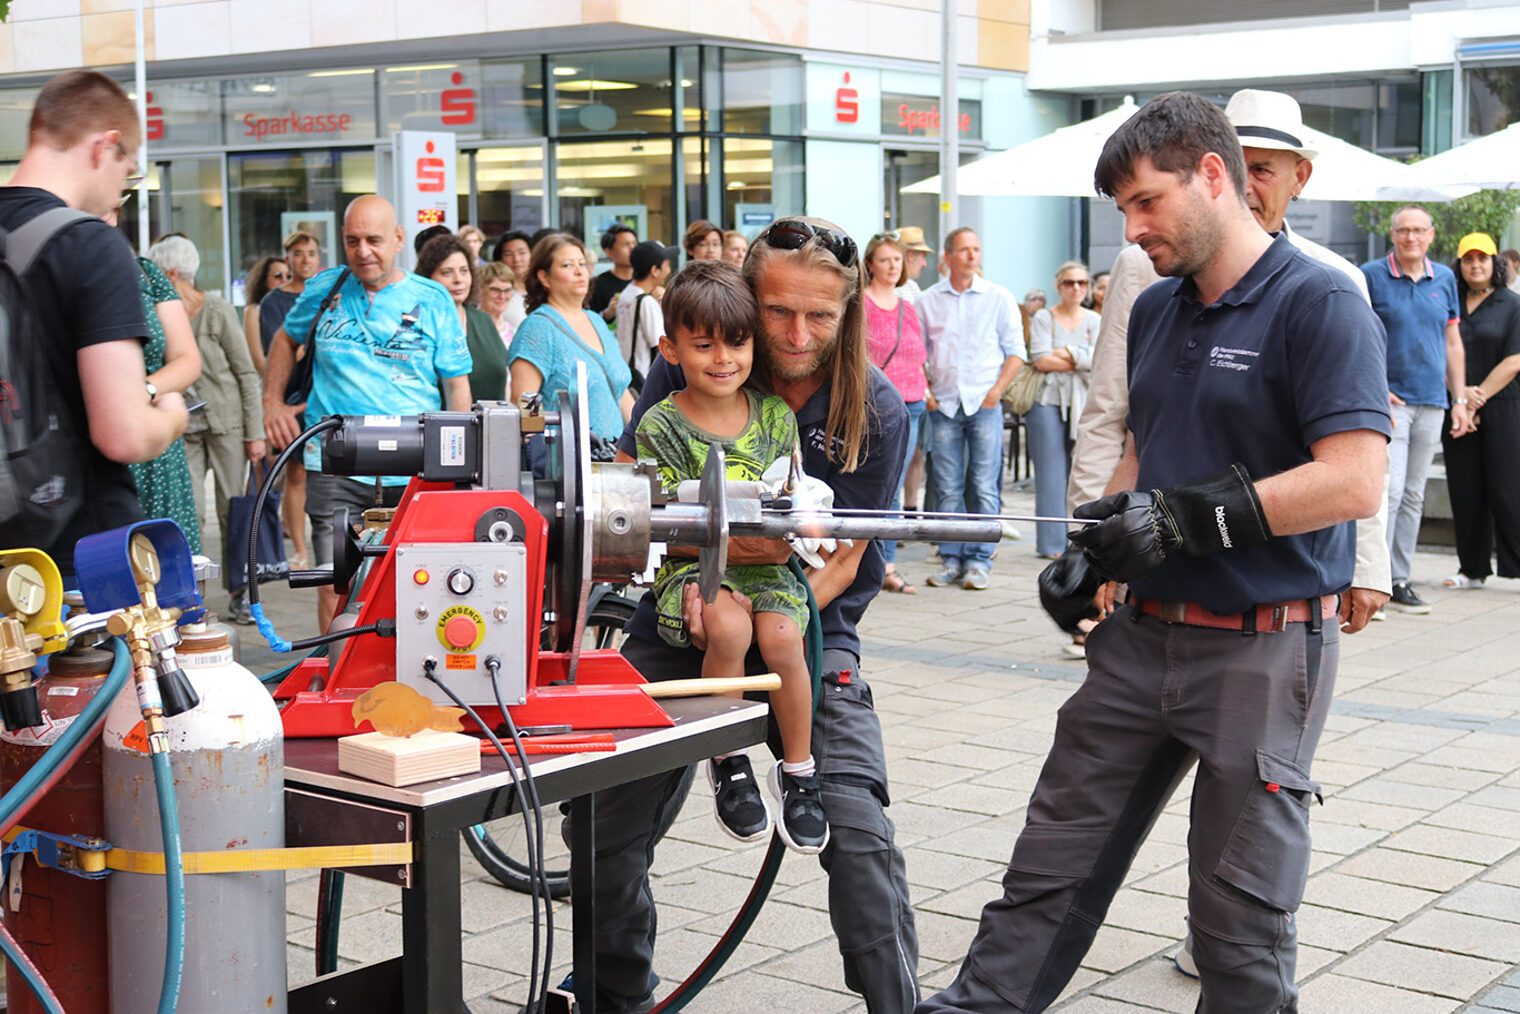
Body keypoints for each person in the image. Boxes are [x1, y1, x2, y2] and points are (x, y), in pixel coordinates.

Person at [920, 90, 1391, 1014]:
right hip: (1140, 638)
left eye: (1146, 203)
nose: (1132, 233)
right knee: (1044, 875)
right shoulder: (1159, 307)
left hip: (1263, 648)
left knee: (1237, 925)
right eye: (1121, 211)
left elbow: (1354, 480)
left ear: (1213, 176)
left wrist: (1183, 522)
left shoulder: (1323, 301)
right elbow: (1147, 447)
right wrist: (1103, 545)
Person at [601, 216, 915, 1014]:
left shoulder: (874, 409)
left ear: (850, 315)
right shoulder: (696, 366)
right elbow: (636, 518)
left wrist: (764, 611)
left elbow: (852, 560)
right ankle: (615, 993)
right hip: (683, 613)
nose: (796, 333)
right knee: (604, 825)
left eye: (820, 316)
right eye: (777, 311)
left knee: (860, 834)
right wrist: (715, 605)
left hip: (804, 625)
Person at [635, 260, 827, 853]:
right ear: (670, 349)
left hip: (767, 566)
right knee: (726, 625)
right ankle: (728, 757)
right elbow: (658, 519)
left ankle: (798, 769)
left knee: (783, 641)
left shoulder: (774, 415)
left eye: (737, 344)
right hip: (693, 568)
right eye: (703, 345)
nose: (723, 359)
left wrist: (807, 517)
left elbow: (797, 492)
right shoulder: (660, 424)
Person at [0, 70, 189, 575]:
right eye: (126, 175)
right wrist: (172, 415)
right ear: (104, 146)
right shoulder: (91, 245)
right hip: (71, 559)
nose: (118, 196)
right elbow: (123, 434)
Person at [263, 195, 472, 632]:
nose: (363, 252)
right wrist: (273, 402)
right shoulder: (325, 288)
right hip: (335, 464)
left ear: (398, 239)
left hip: (415, 468)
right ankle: (335, 673)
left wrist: (459, 464)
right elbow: (285, 338)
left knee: (416, 583)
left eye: (374, 240)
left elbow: (456, 384)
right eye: (353, 240)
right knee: (334, 582)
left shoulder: (432, 299)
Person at [1362, 204, 1472, 615]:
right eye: (1403, 230)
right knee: (1388, 493)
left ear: (1431, 235)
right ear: (1393, 235)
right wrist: (1376, 386)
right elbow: (1359, 335)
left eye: (1418, 231)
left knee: (1413, 494)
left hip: (1433, 400)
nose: (1410, 237)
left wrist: (1459, 400)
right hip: (1391, 400)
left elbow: (1452, 343)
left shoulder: (1443, 278)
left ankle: (1399, 579)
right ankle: (1374, 579)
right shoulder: (1372, 275)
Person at [148, 235, 265, 621]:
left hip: (227, 422)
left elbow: (246, 373)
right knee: (190, 513)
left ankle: (241, 593)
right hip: (184, 427)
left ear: (173, 273)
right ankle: (189, 594)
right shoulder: (159, 313)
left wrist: (255, 432)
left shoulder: (216, 310)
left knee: (235, 510)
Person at [917, 227, 1027, 591]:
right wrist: (928, 391)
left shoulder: (998, 297)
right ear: (946, 258)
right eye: (963, 250)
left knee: (983, 484)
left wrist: (996, 392)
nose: (971, 256)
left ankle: (979, 560)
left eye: (976, 249)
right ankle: (951, 558)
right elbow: (915, 353)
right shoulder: (928, 300)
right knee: (947, 487)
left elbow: (1016, 352)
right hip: (944, 404)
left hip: (984, 402)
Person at [1442, 233, 1520, 589]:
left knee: (1508, 487)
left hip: (1502, 405)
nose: (1476, 265)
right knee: (1465, 488)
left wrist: (1476, 397)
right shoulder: (1450, 301)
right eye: (1468, 259)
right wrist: (1459, 395)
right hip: (1457, 407)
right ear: (1460, 265)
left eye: (1483, 259)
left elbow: (1515, 360)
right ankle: (1471, 569)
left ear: (1495, 264)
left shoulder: (1512, 304)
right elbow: (1437, 351)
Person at [507, 233, 634, 442]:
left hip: (614, 459)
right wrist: (538, 458)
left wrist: (641, 445)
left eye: (582, 264)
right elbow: (524, 403)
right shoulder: (538, 328)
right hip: (566, 462)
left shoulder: (596, 321)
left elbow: (621, 393)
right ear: (544, 277)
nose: (579, 272)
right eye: (567, 265)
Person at [127, 249, 204, 554]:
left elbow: (187, 360)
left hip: (155, 443)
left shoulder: (146, 273)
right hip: (86, 444)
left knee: (161, 565)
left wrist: (144, 391)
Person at [862, 233, 927, 594]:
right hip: (875, 406)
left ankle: (886, 563)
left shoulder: (908, 307)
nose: (892, 266)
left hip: (913, 402)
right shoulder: (861, 304)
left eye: (897, 261)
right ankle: (872, 563)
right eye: (885, 260)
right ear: (870, 263)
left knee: (897, 485)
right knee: (877, 484)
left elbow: (919, 351)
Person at [1025, 261, 1099, 561]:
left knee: (1083, 472)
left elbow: (1101, 357)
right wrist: (1080, 357)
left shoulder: (1094, 319)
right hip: (1047, 400)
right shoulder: (1045, 317)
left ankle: (1080, 540)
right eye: (1070, 283)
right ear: (1059, 287)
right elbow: (1041, 358)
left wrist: (1065, 353)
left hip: (1083, 401)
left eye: (1082, 283)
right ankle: (1051, 543)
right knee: (1051, 473)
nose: (1076, 288)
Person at [261, 228, 324, 569]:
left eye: (311, 253)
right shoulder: (276, 302)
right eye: (298, 254)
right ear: (288, 259)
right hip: (289, 398)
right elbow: (282, 350)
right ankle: (300, 549)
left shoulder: (329, 295)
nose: (305, 260)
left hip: (321, 391)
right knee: (296, 473)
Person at [417, 232, 508, 404]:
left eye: (464, 271)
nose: (458, 280)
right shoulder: (419, 325)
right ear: (428, 278)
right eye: (447, 273)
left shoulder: (483, 320)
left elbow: (503, 379)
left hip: (494, 426)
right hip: (439, 427)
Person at [614, 240, 675, 383]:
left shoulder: (627, 294)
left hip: (628, 374)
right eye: (667, 265)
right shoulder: (646, 302)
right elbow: (662, 346)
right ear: (655, 270)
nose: (668, 270)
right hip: (644, 378)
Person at [241, 255, 288, 375]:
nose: (284, 281)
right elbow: (258, 359)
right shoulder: (254, 311)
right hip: (269, 381)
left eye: (288, 276)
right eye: (278, 276)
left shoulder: (294, 310)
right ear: (263, 280)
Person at [590, 223, 637, 316]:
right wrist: (607, 314)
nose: (632, 249)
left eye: (634, 244)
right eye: (625, 245)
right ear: (609, 252)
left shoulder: (645, 280)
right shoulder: (596, 285)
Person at [494, 229, 533, 329]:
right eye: (509, 254)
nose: (517, 259)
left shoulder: (542, 289)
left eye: (522, 252)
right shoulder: (497, 294)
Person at [476, 261, 517, 343]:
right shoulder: (469, 327)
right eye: (495, 290)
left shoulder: (513, 332)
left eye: (507, 290)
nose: (502, 296)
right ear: (480, 290)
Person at [894, 226, 934, 302]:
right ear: (911, 256)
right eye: (923, 257)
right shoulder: (891, 287)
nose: (925, 264)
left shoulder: (912, 286)